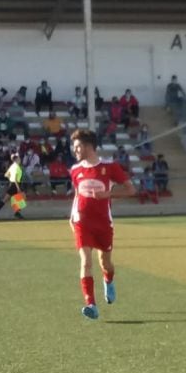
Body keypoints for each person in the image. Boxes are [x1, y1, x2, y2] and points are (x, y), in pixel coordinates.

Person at [69, 128, 136, 319]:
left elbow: (131, 190)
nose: (75, 151)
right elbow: (77, 194)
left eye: (77, 147)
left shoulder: (110, 167)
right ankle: (91, 304)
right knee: (86, 261)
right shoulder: (75, 170)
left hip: (103, 223)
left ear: (88, 146)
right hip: (82, 222)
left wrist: (108, 194)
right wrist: (72, 215)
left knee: (105, 263)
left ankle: (109, 279)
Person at [4, 154, 26, 219]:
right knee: (21, 197)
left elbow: (6, 175)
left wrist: (11, 179)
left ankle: (17, 212)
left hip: (14, 183)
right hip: (16, 184)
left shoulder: (13, 166)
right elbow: (15, 178)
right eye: (19, 158)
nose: (20, 159)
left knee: (17, 198)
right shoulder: (16, 166)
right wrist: (18, 187)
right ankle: (16, 212)